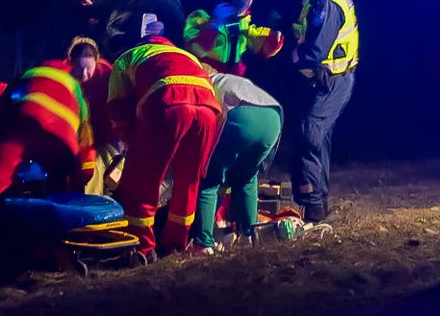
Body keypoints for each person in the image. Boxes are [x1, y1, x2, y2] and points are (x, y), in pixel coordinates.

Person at [0, 63, 94, 267]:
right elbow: (84, 137)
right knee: (63, 194)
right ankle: (64, 253)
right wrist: (79, 175)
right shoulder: (73, 86)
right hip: (62, 137)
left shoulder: (27, 74)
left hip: (25, 120)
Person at [107, 32, 222, 260]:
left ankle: (142, 248)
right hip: (208, 111)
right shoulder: (187, 55)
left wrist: (126, 138)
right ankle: (176, 246)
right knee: (188, 181)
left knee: (142, 180)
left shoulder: (128, 57)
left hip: (169, 103)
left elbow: (118, 106)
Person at [289, 0, 359, 225]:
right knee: (319, 137)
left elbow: (316, 49)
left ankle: (313, 206)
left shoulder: (327, 0)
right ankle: (318, 203)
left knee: (309, 132)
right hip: (328, 79)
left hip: (334, 79)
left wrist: (295, 59)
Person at [190, 71, 283, 254]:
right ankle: (249, 236)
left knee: (209, 180)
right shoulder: (233, 80)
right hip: (274, 117)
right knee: (247, 177)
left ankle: (203, 244)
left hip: (241, 114)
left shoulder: (203, 81)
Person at [41, 36, 113, 194]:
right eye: (80, 69)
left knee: (94, 174)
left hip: (101, 139)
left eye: (89, 69)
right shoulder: (61, 75)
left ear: (97, 61)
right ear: (70, 62)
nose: (85, 75)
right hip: (71, 137)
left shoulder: (107, 75)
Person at [182, 0, 285, 75]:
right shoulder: (200, 16)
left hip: (231, 72)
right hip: (206, 70)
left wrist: (269, 40)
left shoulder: (242, 20)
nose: (237, 9)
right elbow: (192, 40)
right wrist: (215, 23)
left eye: (243, 5)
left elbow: (250, 36)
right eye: (236, 2)